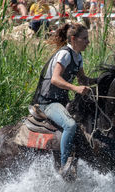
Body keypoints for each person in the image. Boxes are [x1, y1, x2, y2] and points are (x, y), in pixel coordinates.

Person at [31, 23, 97, 172]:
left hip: (61, 101)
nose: (88, 42)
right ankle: (64, 165)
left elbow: (82, 79)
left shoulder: (78, 56)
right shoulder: (65, 54)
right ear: (73, 39)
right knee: (70, 125)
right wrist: (75, 88)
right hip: (47, 102)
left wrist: (101, 81)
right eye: (85, 38)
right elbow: (55, 79)